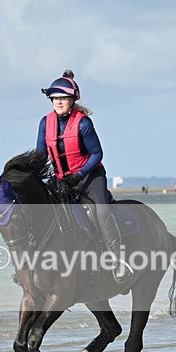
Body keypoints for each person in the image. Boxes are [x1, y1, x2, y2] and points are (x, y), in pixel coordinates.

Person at [36, 69, 133, 283]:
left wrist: (79, 175)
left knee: (101, 212)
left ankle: (118, 261)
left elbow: (97, 153)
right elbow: (40, 155)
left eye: (63, 98)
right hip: (61, 178)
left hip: (90, 177)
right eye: (55, 98)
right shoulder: (45, 123)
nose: (58, 102)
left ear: (72, 100)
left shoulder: (83, 123)